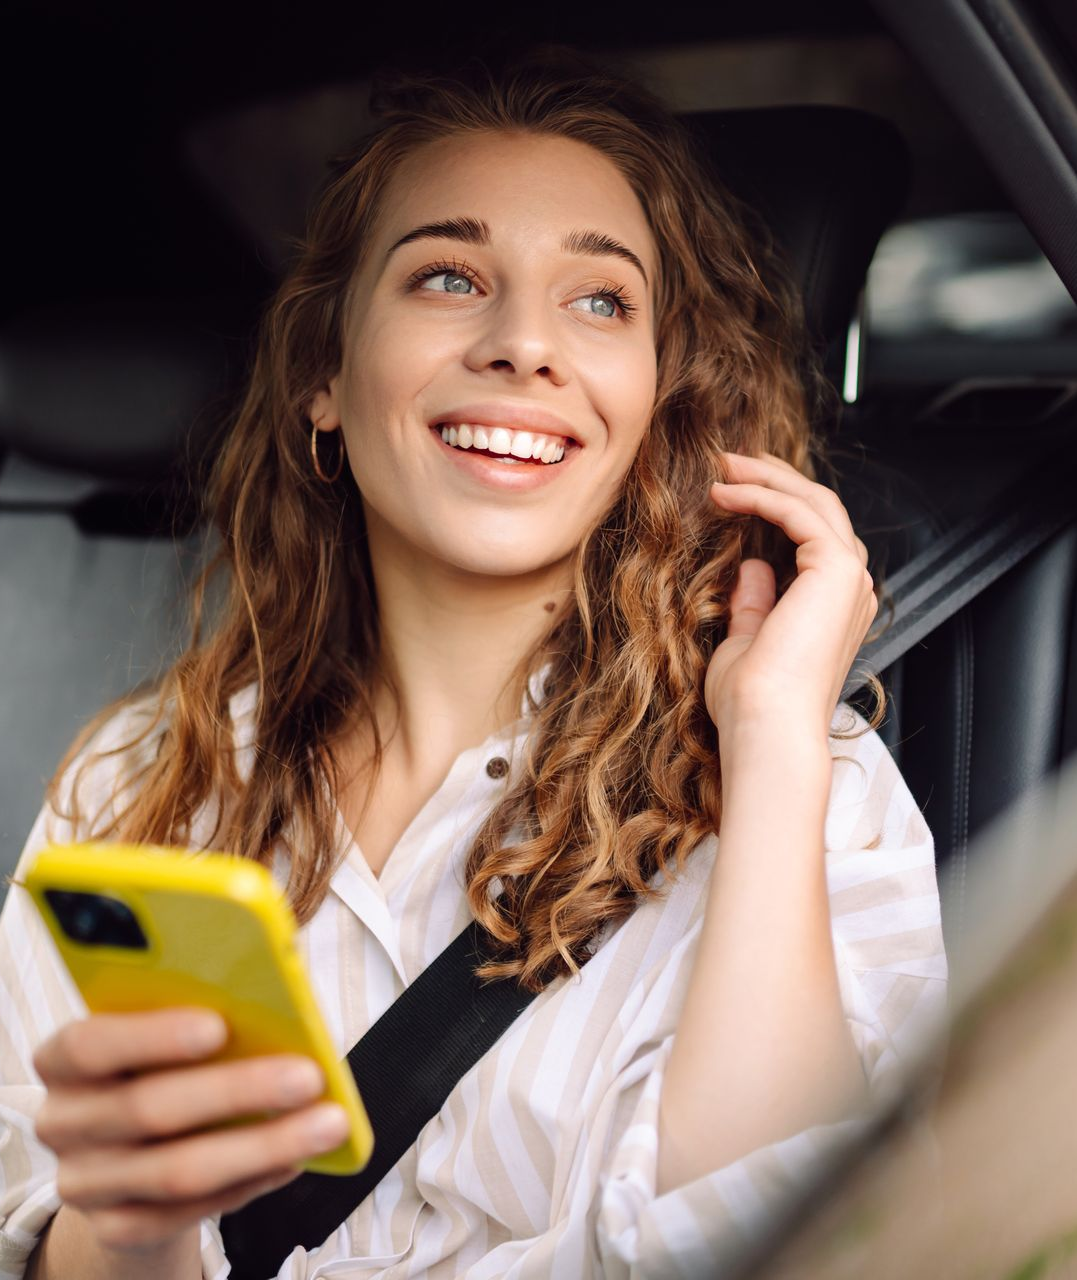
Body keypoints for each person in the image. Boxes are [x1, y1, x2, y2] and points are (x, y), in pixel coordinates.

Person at [0, 44, 948, 1280]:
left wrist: (767, 746)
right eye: (448, 276)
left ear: (660, 401)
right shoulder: (137, 786)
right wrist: (130, 1224)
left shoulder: (805, 783)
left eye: (600, 300)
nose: (522, 343)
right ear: (325, 380)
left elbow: (792, 1248)